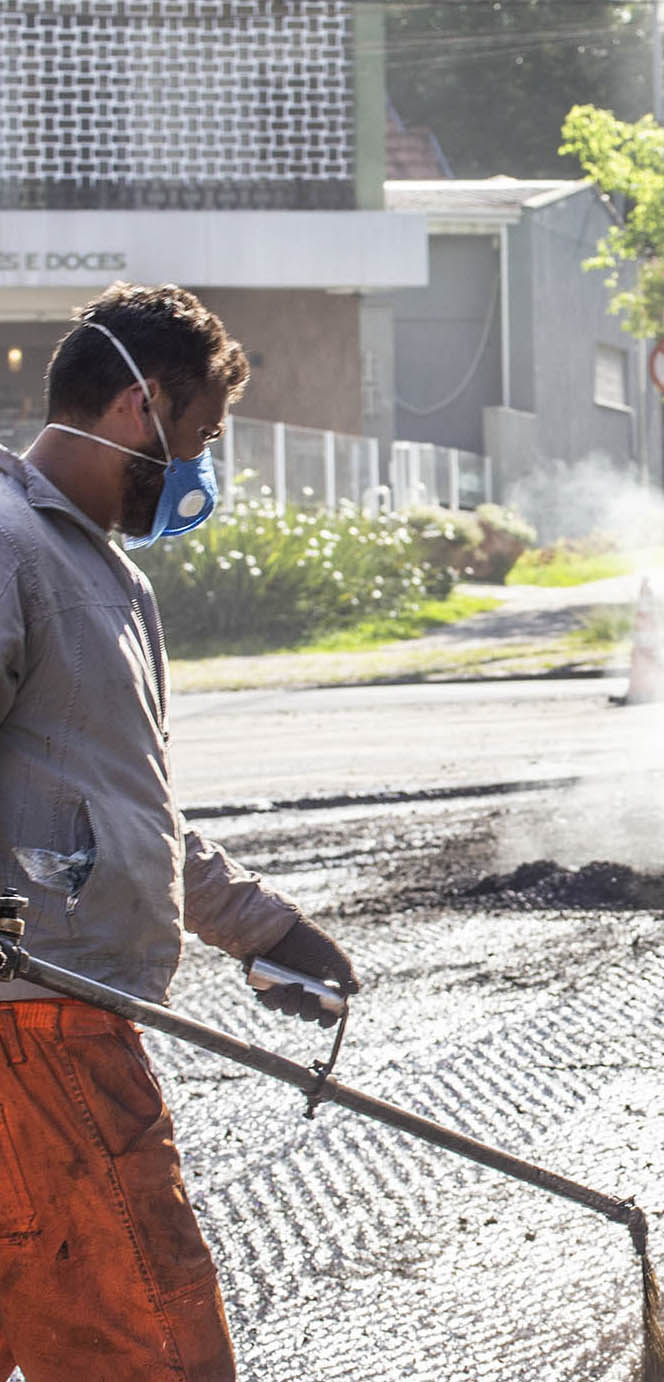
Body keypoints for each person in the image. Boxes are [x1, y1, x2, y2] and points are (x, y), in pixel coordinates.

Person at [0, 284, 361, 1379]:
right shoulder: (10, 546)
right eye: (198, 436)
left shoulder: (105, 575)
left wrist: (257, 924)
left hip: (59, 1014)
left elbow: (120, 800)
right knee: (155, 1352)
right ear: (139, 405)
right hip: (42, 1029)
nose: (196, 468)